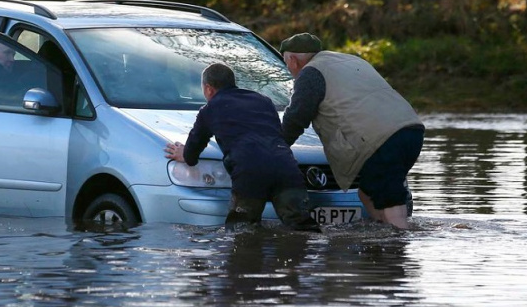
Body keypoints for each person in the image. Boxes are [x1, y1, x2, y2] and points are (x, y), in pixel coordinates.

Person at [279, 32, 425, 229]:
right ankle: (380, 242)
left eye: (286, 63)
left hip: (381, 140)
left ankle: (398, 247)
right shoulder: (348, 60)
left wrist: (277, 146)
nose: (289, 69)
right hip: (411, 129)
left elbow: (296, 117)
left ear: (293, 60)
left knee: (389, 196)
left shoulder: (311, 73)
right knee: (366, 192)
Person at [164, 63, 319, 231]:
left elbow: (193, 152)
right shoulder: (263, 101)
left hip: (249, 172)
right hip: (286, 167)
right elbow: (276, 135)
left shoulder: (210, 109)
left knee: (243, 233)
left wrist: (184, 154)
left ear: (208, 89)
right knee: (303, 229)